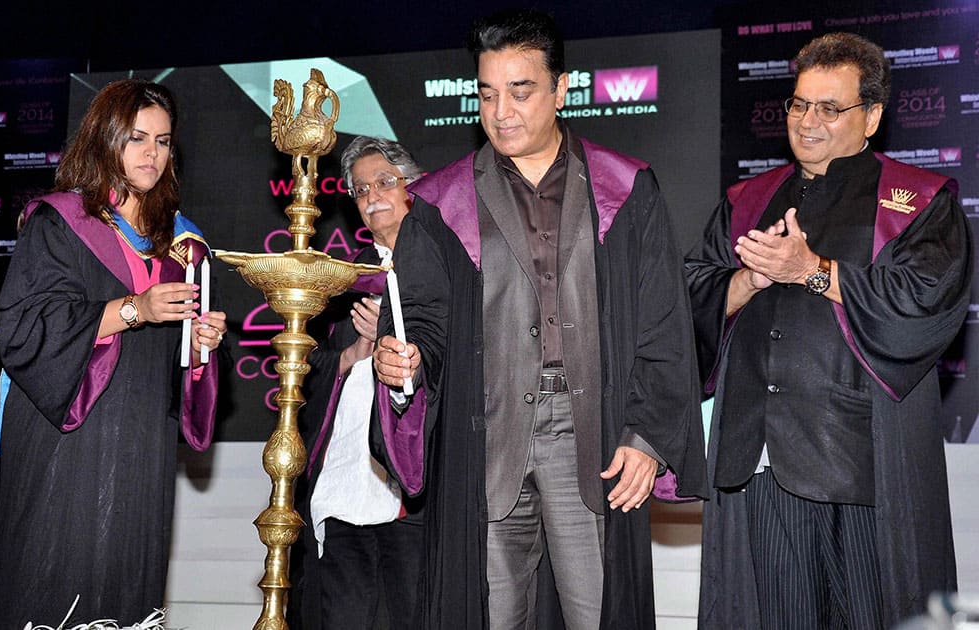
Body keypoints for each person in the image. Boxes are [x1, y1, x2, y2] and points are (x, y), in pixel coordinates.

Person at [372, 9, 707, 630]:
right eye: (487, 93)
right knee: (491, 616)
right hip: (485, 438)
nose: (501, 112)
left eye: (520, 91)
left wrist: (648, 436)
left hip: (592, 437)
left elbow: (663, 321)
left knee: (596, 614)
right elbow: (422, 323)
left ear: (561, 88)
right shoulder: (440, 205)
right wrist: (406, 359)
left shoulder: (626, 190)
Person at [686, 32, 972, 630]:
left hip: (861, 466)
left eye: (829, 107)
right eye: (798, 104)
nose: (807, 121)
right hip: (760, 464)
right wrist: (751, 281)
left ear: (871, 117)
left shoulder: (916, 202)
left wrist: (810, 271)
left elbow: (923, 304)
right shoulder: (747, 199)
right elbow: (688, 297)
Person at [0, 79, 226, 627]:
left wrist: (199, 344)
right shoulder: (61, 221)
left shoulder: (182, 243)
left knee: (128, 584)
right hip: (65, 435)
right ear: (104, 139)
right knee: (52, 578)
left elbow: (179, 372)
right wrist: (134, 309)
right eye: (137, 137)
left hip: (142, 442)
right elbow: (22, 327)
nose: (152, 154)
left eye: (163, 142)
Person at [289, 136, 424, 630]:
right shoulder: (345, 279)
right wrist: (351, 354)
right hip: (345, 486)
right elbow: (309, 371)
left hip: (409, 494)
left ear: (415, 187)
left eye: (385, 182)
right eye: (361, 189)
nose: (372, 197)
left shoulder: (447, 271)